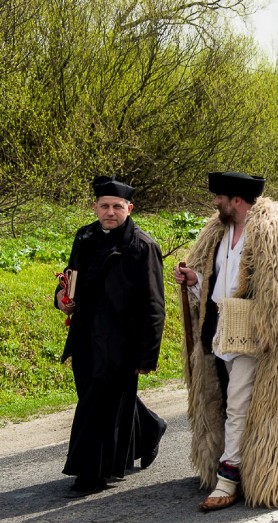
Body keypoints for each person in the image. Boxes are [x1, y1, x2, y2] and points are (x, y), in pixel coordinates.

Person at [175, 172, 278, 511]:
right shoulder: (219, 232)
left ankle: (229, 477)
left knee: (238, 404)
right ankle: (235, 466)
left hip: (254, 336)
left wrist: (272, 326)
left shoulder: (277, 232)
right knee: (222, 400)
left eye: (220, 197)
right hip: (218, 330)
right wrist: (194, 280)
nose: (215, 203)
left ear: (237, 201)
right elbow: (216, 284)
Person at [55, 176, 166, 496]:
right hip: (85, 337)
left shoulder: (142, 246)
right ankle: (149, 429)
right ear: (95, 207)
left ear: (129, 208)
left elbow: (154, 306)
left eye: (117, 206)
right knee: (99, 400)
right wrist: (63, 300)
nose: (110, 212)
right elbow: (69, 283)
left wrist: (146, 356)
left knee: (98, 408)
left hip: (122, 344)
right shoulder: (85, 237)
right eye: (104, 206)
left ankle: (91, 474)